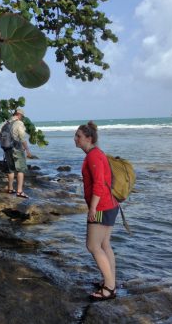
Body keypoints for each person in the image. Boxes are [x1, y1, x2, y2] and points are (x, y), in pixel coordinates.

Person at [74, 121, 119, 301]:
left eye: (78, 136)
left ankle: (109, 288)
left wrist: (92, 208)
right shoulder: (97, 154)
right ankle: (110, 282)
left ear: (89, 138)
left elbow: (99, 185)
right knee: (105, 245)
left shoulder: (93, 156)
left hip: (101, 207)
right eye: (75, 135)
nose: (75, 139)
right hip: (111, 205)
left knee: (93, 246)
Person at [2, 108, 32, 198]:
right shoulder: (19, 123)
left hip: (7, 148)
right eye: (22, 116)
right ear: (19, 115)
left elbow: (0, 135)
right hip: (17, 149)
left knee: (10, 169)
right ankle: (19, 191)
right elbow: (22, 138)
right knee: (20, 169)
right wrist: (27, 150)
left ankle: (10, 189)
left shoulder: (5, 123)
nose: (22, 118)